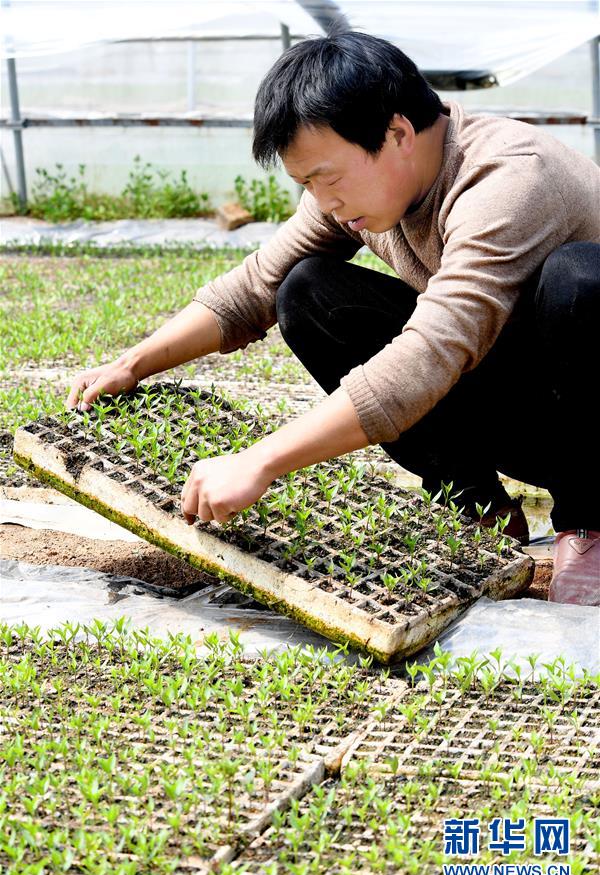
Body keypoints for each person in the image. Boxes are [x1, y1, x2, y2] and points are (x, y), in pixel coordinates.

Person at [67, 32, 600, 605]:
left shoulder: (509, 180)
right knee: (308, 291)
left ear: (398, 134)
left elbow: (435, 347)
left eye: (329, 178)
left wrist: (261, 462)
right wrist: (132, 364)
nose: (325, 202)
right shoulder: (362, 191)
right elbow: (256, 285)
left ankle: (590, 522)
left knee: (579, 281)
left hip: (588, 417)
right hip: (527, 402)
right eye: (307, 185)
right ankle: (479, 510)